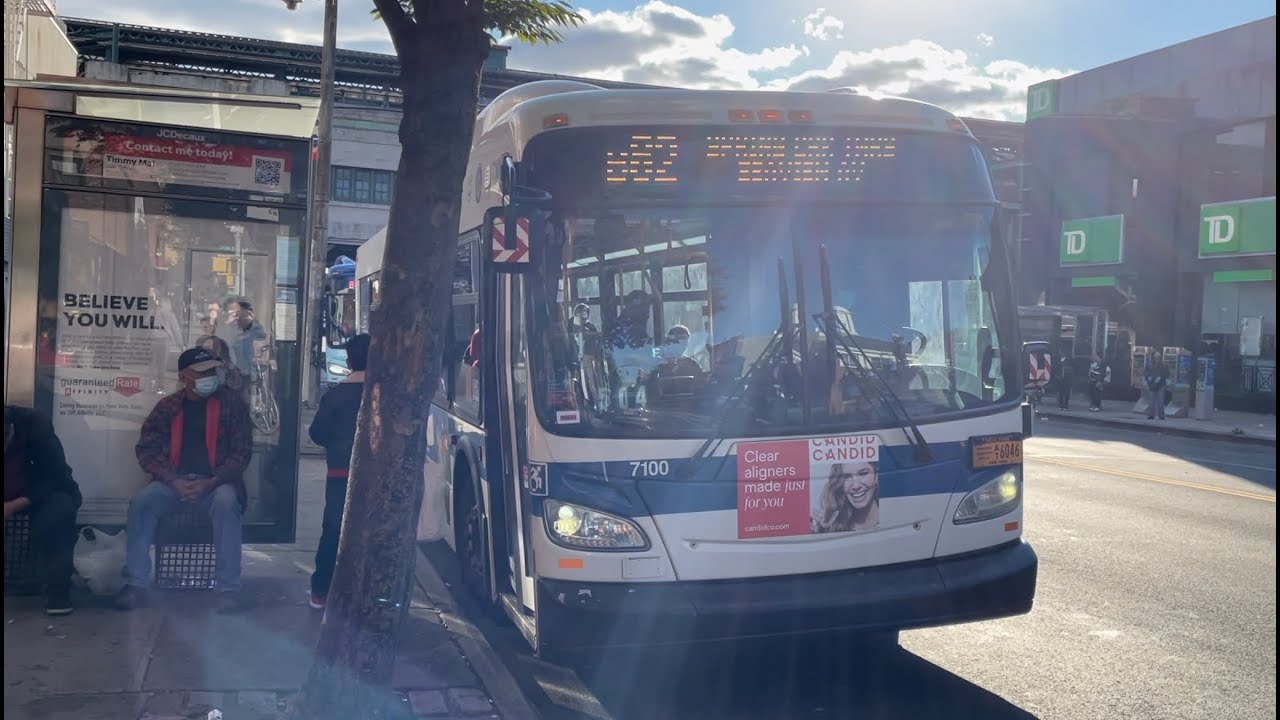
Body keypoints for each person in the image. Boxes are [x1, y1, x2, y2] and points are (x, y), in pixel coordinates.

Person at [116, 347, 252, 612]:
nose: (210, 376)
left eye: (212, 371)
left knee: (226, 503)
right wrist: (173, 481)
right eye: (202, 373)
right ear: (184, 377)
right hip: (172, 485)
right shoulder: (168, 407)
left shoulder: (231, 405)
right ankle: (136, 584)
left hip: (216, 484)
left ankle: (227, 589)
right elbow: (147, 450)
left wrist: (210, 483)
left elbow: (241, 453)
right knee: (142, 502)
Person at [306, 334, 370, 610]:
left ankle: (321, 589)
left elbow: (317, 433)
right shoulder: (384, 396)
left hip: (340, 475)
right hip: (375, 479)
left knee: (332, 531)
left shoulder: (334, 396)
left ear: (348, 360)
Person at [4, 406, 82, 615]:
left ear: (10, 429)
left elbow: (53, 476)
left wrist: (14, 505)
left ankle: (57, 591)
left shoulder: (37, 427)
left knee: (60, 512)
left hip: (40, 491)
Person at [811, 462, 880, 534]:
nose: (856, 486)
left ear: (876, 476)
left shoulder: (889, 518)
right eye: (847, 477)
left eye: (863, 473)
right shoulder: (829, 526)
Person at [225, 299, 268, 383]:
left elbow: (262, 335)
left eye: (240, 312)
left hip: (246, 371)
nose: (238, 315)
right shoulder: (230, 327)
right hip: (231, 370)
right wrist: (229, 322)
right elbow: (225, 340)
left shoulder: (250, 328)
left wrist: (253, 321)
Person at [1145, 351, 1169, 420]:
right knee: (1152, 401)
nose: (1157, 359)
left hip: (1161, 385)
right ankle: (1151, 415)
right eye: (1156, 357)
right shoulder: (1149, 364)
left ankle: (1161, 415)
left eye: (1158, 357)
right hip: (1152, 384)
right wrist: (1148, 377)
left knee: (1160, 401)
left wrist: (1160, 377)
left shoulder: (1163, 365)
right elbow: (1145, 372)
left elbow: (1166, 373)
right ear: (1153, 358)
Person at [1056, 344, 1075, 410]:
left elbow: (1073, 369)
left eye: (1061, 352)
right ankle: (1061, 405)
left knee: (1066, 392)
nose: (1060, 353)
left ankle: (1065, 405)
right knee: (1061, 392)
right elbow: (1057, 368)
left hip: (1067, 378)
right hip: (1061, 378)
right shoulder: (1059, 360)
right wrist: (1058, 376)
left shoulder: (1070, 360)